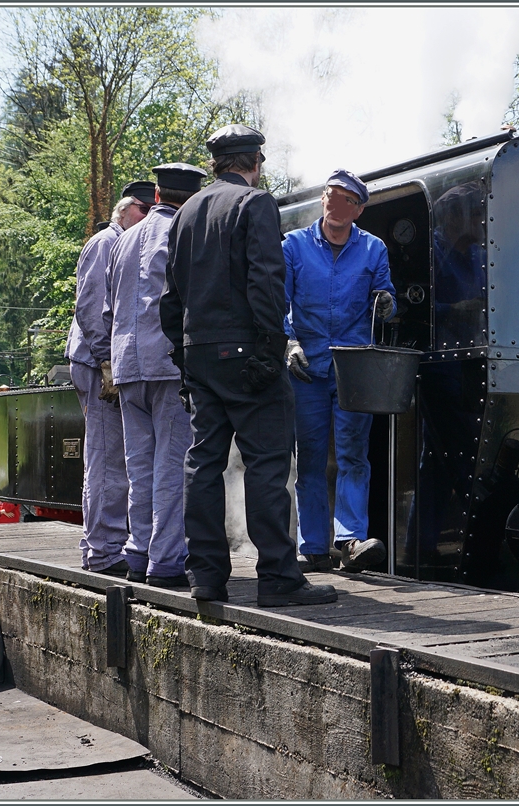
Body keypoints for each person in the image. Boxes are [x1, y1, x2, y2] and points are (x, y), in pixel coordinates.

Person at [160, 123, 336, 608]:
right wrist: (271, 346)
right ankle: (278, 576)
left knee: (203, 462)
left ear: (217, 162)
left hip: (199, 354)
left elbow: (170, 296)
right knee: (267, 463)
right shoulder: (255, 203)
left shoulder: (186, 211)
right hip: (245, 351)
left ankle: (207, 577)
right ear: (255, 163)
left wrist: (182, 356)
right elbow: (265, 280)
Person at [283, 170, 395, 573]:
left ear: (358, 208)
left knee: (353, 455)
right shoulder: (293, 246)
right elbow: (278, 302)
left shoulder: (373, 248)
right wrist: (289, 342)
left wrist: (385, 303)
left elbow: (387, 294)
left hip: (352, 364)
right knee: (310, 457)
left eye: (344, 198)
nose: (333, 202)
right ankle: (312, 545)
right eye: (330, 194)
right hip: (308, 366)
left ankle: (349, 540)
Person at [103, 163, 206, 588]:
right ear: (191, 196)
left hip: (127, 364)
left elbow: (109, 306)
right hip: (167, 363)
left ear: (159, 193)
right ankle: (165, 561)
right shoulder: (183, 233)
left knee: (138, 465)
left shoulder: (122, 241)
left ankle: (138, 550)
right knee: (171, 463)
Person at [64, 182, 153, 576]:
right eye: (145, 210)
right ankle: (101, 552)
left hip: (108, 360)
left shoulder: (122, 242)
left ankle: (106, 546)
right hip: (99, 362)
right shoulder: (107, 242)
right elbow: (90, 307)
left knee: (113, 459)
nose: (151, 218)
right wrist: (107, 362)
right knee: (106, 459)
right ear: (129, 208)